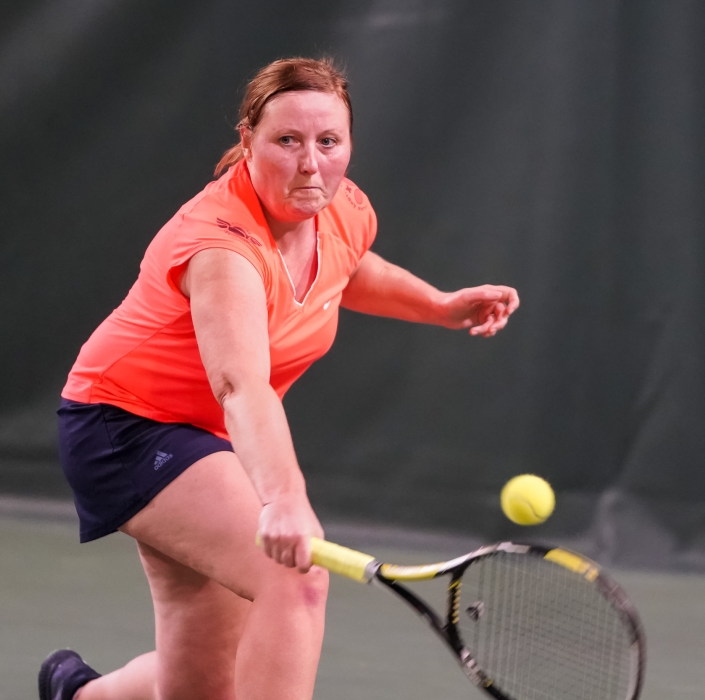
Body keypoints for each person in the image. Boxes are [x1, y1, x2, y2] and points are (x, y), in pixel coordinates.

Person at [40, 56, 519, 700]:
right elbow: (240, 385)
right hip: (124, 424)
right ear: (248, 140)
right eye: (287, 140)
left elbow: (348, 267)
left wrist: (440, 304)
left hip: (211, 436)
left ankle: (77, 695)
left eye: (329, 141)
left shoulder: (340, 207)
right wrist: (283, 497)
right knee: (295, 575)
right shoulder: (222, 248)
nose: (310, 164)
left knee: (205, 686)